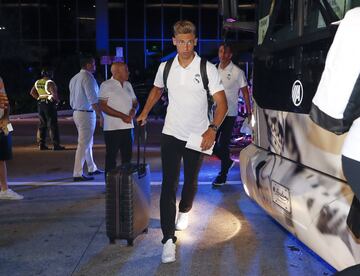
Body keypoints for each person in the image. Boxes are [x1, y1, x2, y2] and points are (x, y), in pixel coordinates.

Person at [137, 20, 227, 263]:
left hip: (198, 135)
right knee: (169, 184)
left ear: (195, 41)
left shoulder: (207, 68)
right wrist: (145, 111)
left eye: (190, 42)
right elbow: (157, 90)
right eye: (181, 42)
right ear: (174, 41)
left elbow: (222, 103)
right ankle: (168, 239)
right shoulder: (166, 67)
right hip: (171, 133)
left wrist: (213, 129)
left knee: (190, 181)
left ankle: (185, 210)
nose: (186, 46)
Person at [212, 43, 252, 187]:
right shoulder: (213, 70)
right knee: (209, 145)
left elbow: (246, 94)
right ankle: (228, 161)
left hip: (230, 114)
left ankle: (222, 175)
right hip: (215, 114)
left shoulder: (237, 72)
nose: (222, 54)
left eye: (225, 52)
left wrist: (249, 112)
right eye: (220, 51)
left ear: (230, 55)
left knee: (223, 145)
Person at [98, 62, 138, 177]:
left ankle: (125, 184)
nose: (128, 72)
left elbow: (135, 102)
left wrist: (134, 110)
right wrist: (122, 116)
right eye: (126, 70)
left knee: (127, 158)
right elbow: (103, 106)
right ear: (117, 72)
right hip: (112, 129)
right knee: (111, 158)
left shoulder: (128, 85)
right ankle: (110, 186)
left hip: (128, 128)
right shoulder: (106, 85)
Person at [69, 55, 104, 182]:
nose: (95, 66)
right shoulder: (88, 78)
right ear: (88, 65)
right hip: (86, 114)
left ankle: (91, 167)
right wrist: (101, 115)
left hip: (77, 113)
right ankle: (77, 173)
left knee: (88, 142)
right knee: (84, 143)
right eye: (93, 64)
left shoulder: (74, 78)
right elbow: (93, 99)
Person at [30, 68, 65, 151]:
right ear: (50, 74)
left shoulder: (38, 82)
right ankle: (56, 145)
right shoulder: (50, 83)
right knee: (52, 124)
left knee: (42, 124)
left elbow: (32, 92)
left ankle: (41, 144)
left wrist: (39, 98)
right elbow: (54, 95)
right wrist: (57, 102)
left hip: (40, 104)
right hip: (49, 105)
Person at [0, 77, 23, 200]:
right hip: (2, 125)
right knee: (2, 158)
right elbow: (3, 107)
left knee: (2, 158)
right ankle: (4, 189)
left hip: (4, 123)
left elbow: (5, 105)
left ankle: (4, 188)